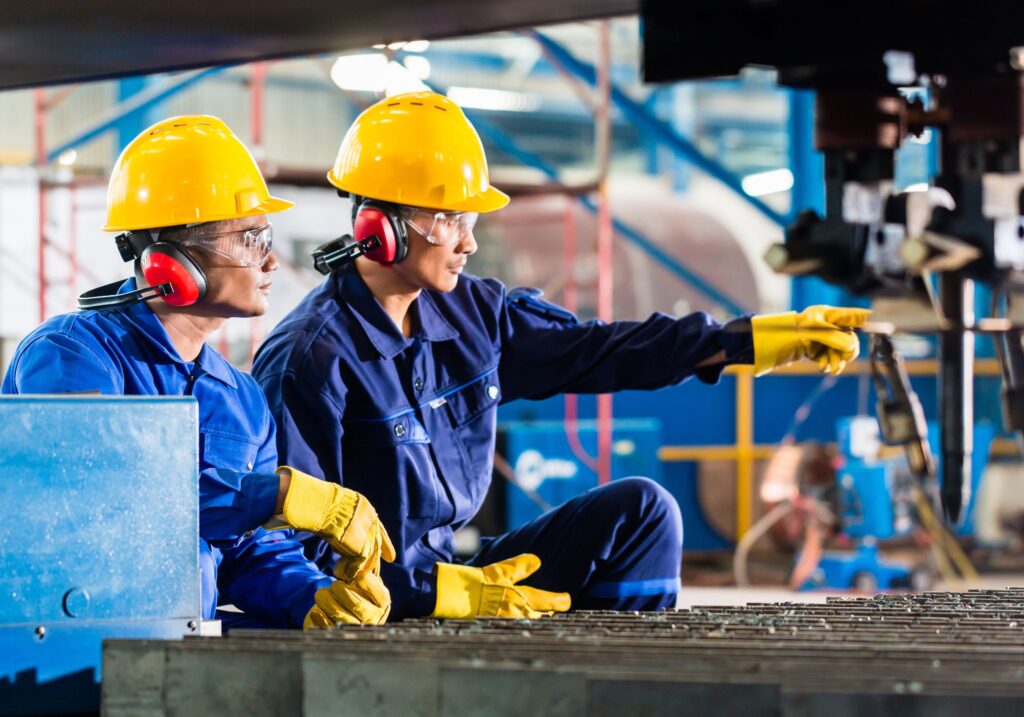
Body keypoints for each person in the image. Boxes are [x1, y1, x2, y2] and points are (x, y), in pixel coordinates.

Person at [252, 92, 869, 621]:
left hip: (456, 573)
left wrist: (740, 340)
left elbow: (600, 350)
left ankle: (626, 687)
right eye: (448, 219)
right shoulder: (313, 358)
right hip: (376, 604)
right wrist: (435, 594)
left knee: (643, 513)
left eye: (470, 219)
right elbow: (299, 560)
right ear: (377, 228)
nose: (469, 241)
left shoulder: (474, 314)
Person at [2, 115, 393, 629]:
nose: (272, 262)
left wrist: (314, 600)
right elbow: (107, 496)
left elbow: (253, 553)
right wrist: (273, 495)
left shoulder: (242, 398)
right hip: (63, 642)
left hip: (171, 647)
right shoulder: (71, 357)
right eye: (251, 239)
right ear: (171, 262)